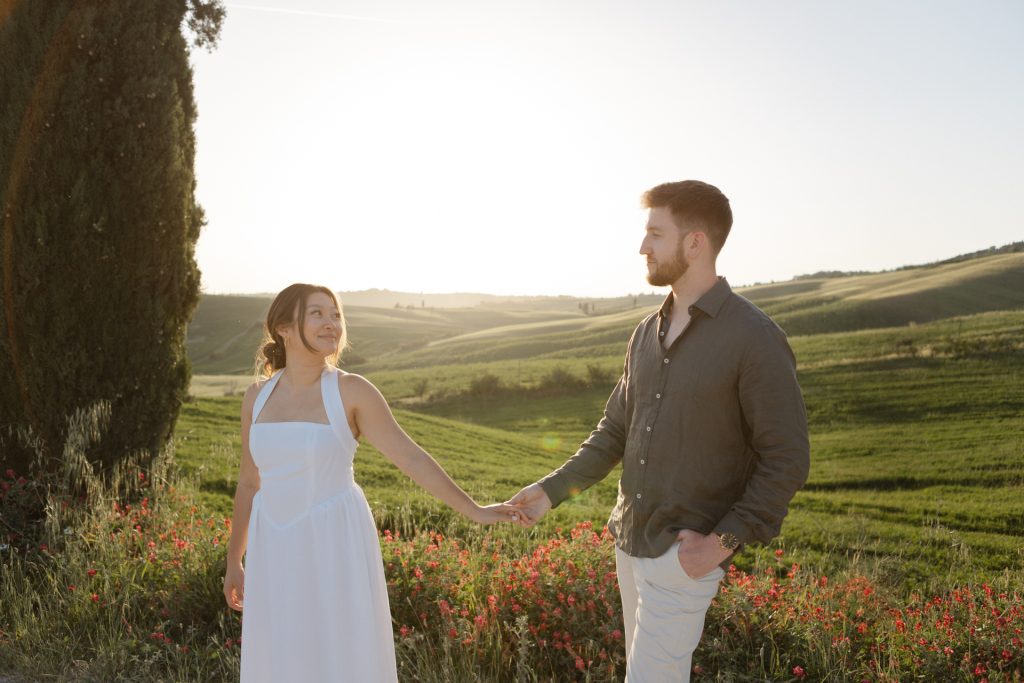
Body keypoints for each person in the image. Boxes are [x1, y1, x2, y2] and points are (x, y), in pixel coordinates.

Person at [507, 181, 810, 682]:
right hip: (630, 543)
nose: (642, 246)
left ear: (695, 243)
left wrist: (720, 544)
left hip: (684, 556)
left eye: (655, 234)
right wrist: (549, 491)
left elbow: (787, 458)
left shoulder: (754, 338)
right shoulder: (646, 333)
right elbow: (614, 431)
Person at [222, 283, 517, 682]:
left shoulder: (351, 391)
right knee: (281, 657)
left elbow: (411, 457)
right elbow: (248, 483)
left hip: (335, 545)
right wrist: (235, 561)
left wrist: (475, 510)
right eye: (317, 314)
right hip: (273, 548)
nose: (332, 323)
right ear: (283, 328)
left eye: (336, 314)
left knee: (340, 657)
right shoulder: (255, 397)